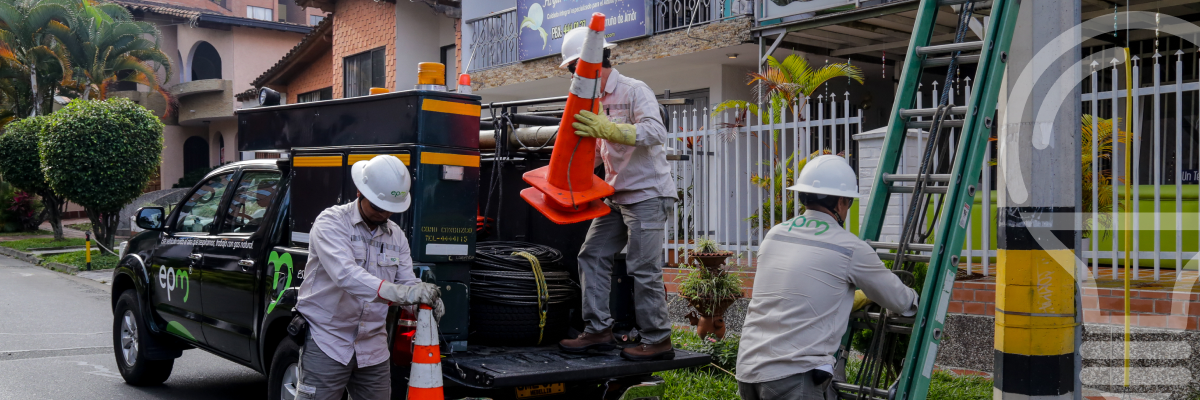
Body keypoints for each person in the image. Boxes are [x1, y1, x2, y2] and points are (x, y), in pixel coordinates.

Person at [736, 155, 919, 400]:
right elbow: (900, 302)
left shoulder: (775, 235)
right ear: (842, 202)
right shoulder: (849, 248)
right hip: (793, 377)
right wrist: (915, 300)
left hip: (748, 369)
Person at [555, 26, 677, 361]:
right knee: (591, 255)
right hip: (616, 195)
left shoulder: (634, 90)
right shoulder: (590, 100)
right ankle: (598, 330)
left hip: (648, 195)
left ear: (589, 65)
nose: (571, 77)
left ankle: (658, 339)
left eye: (572, 70)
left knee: (642, 267)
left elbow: (655, 131)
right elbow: (597, 152)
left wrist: (610, 129)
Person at [294, 155, 444, 400]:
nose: (382, 213)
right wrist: (404, 294)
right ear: (359, 192)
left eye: (389, 210)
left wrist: (423, 301)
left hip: (373, 346)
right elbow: (346, 276)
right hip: (328, 340)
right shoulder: (331, 223)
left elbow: (407, 282)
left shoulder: (396, 236)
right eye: (377, 206)